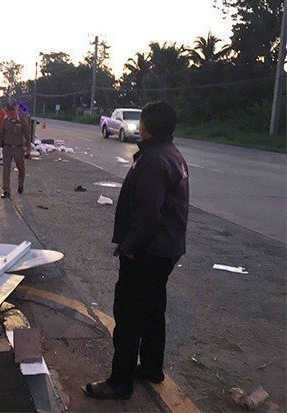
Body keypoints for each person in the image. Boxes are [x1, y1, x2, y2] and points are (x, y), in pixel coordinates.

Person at [84, 101, 189, 400]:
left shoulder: (154, 159)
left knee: (129, 315)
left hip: (148, 252)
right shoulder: (171, 153)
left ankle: (120, 382)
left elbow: (147, 212)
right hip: (166, 249)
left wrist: (129, 247)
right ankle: (152, 367)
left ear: (145, 126)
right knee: (154, 309)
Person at [0, 104, 30, 199]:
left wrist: (28, 150)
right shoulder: (5, 121)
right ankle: (6, 191)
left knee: (21, 169)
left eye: (14, 112)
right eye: (10, 113)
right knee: (6, 170)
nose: (12, 115)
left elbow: (27, 136)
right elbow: (1, 136)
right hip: (7, 149)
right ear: (8, 112)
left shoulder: (23, 121)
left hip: (19, 149)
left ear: (16, 111)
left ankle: (20, 185)